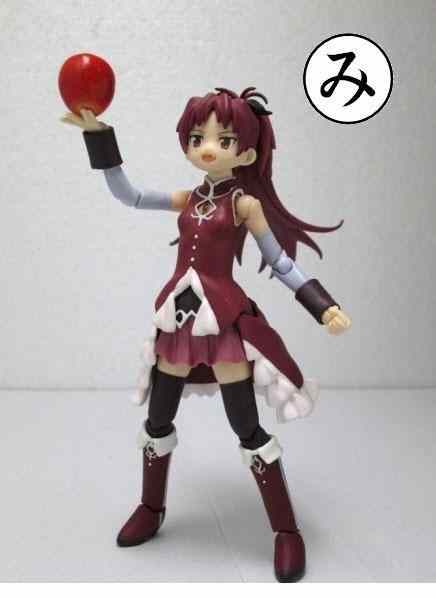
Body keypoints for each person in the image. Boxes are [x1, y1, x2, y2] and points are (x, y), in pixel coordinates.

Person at [61, 87, 351, 583]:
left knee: (246, 427)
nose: (209, 147)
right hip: (179, 316)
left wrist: (321, 305)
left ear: (248, 153)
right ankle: (151, 507)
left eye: (224, 139)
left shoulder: (244, 205)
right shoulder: (188, 197)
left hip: (222, 317)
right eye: (198, 137)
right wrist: (100, 137)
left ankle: (285, 529)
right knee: (158, 418)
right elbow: (130, 195)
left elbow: (281, 263)